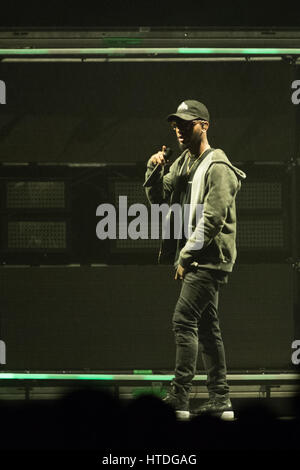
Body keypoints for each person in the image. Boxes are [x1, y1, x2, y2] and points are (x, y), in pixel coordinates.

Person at [144, 99, 246, 420]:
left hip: (208, 259)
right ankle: (221, 398)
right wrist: (154, 167)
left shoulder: (218, 166)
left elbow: (213, 218)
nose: (179, 129)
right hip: (198, 258)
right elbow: (159, 197)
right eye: (176, 125)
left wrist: (186, 257)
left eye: (186, 124)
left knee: (182, 320)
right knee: (207, 326)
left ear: (204, 126)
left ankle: (179, 397)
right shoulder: (184, 163)